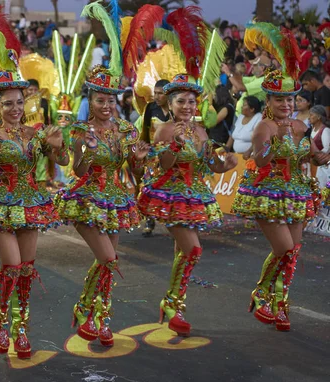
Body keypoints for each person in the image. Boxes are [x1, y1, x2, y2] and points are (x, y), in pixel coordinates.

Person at [0, 68, 69, 359]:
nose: (15, 109)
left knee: (27, 268)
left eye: (19, 102)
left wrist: (59, 147)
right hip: (0, 201)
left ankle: (21, 328)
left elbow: (63, 160)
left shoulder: (34, 133)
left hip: (30, 201)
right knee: (12, 265)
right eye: (8, 103)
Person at [137, 74, 238, 337]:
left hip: (194, 195)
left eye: (192, 101)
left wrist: (224, 166)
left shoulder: (202, 131)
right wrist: (176, 143)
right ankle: (171, 303)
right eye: (181, 101)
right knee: (193, 249)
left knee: (184, 252)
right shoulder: (164, 130)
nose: (187, 106)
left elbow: (208, 165)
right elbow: (165, 165)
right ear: (170, 105)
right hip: (171, 195)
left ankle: (175, 306)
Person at [56, 65, 148, 346]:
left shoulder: (127, 130)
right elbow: (80, 170)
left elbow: (137, 172)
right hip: (87, 198)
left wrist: (141, 160)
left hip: (116, 200)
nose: (106, 106)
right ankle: (86, 309)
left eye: (111, 100)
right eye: (100, 100)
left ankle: (100, 317)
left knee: (106, 262)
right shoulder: (80, 131)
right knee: (109, 259)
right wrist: (87, 150)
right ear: (90, 101)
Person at [231, 71, 330, 331]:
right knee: (285, 248)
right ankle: (261, 293)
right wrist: (277, 138)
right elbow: (261, 159)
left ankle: (280, 304)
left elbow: (311, 154)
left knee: (292, 253)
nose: (286, 105)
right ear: (268, 101)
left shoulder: (300, 126)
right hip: (268, 194)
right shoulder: (263, 127)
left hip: (295, 193)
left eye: (290, 100)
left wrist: (321, 157)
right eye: (279, 100)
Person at [140, 79, 171, 236]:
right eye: (155, 93)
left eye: (160, 93)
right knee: (150, 187)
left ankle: (174, 221)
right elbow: (145, 131)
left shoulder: (176, 109)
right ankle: (149, 220)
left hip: (172, 156)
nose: (157, 96)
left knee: (171, 188)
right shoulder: (150, 108)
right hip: (153, 156)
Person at [310, 105, 330, 186]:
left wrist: (315, 155)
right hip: (314, 163)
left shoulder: (325, 130)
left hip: (323, 166)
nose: (309, 117)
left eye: (311, 115)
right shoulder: (313, 130)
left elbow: (327, 149)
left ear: (318, 116)